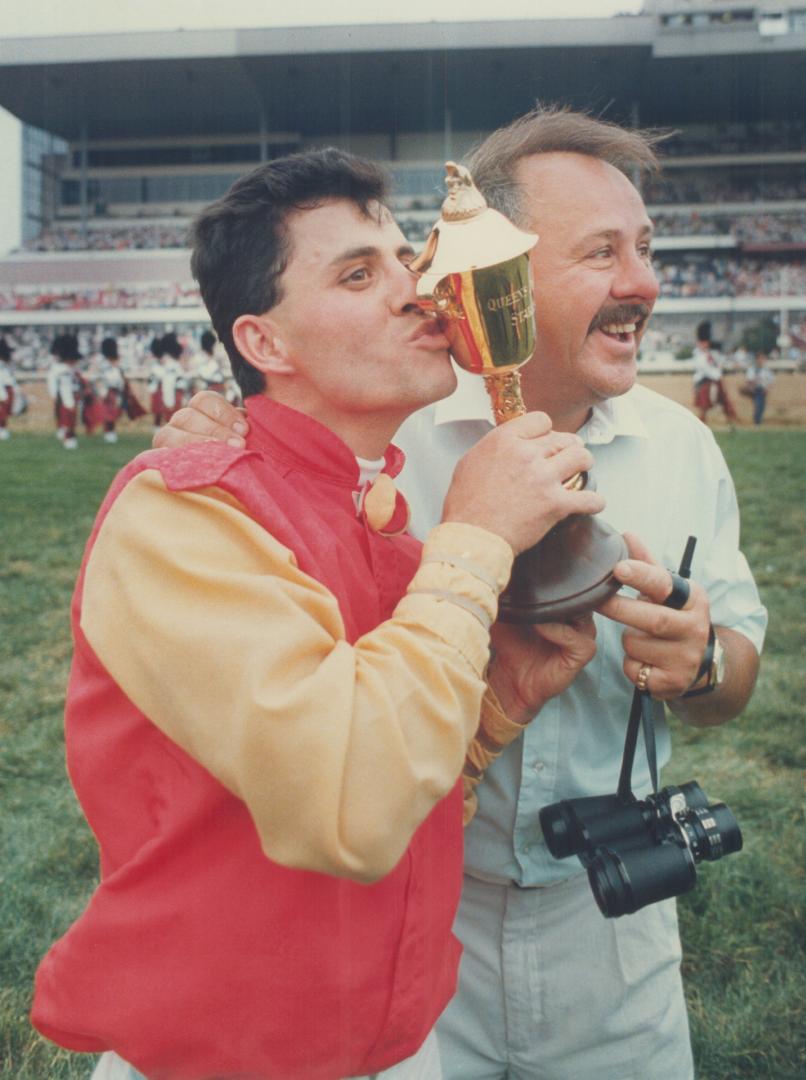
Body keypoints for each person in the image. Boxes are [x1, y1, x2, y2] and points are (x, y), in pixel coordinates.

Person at [165, 107, 768, 1080]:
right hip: (409, 911)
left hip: (609, 922)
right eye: (600, 253)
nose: (642, 284)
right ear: (493, 274)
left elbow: (738, 670)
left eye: (645, 249)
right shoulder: (379, 436)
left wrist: (700, 661)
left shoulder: (682, 448)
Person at [31, 147, 606, 1080]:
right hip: (220, 1054)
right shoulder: (184, 511)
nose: (417, 290)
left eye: (403, 258)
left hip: (385, 1041)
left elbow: (408, 772)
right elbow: (351, 799)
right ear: (264, 345)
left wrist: (501, 694)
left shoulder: (372, 512)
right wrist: (478, 535)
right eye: (357, 272)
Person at [692, 320, 738, 427]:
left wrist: (730, 366)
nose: (704, 345)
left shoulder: (713, 353)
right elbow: (704, 368)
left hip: (715, 380)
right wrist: (717, 375)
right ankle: (702, 422)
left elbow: (722, 362)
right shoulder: (698, 355)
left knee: (724, 400)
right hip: (704, 381)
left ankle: (731, 419)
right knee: (704, 404)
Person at [744, 351, 775, 426]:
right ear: (756, 359)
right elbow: (749, 380)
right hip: (756, 390)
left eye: (763, 359)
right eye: (760, 359)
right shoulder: (752, 369)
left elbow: (771, 380)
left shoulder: (767, 370)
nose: (761, 361)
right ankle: (757, 422)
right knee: (758, 405)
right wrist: (751, 387)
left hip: (763, 390)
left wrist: (768, 388)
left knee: (762, 406)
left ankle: (758, 421)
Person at [0, 336, 19, 440]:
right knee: (2, 411)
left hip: (8, 388)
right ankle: (2, 429)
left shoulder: (7, 365)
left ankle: (3, 428)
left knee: (6, 411)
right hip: (3, 388)